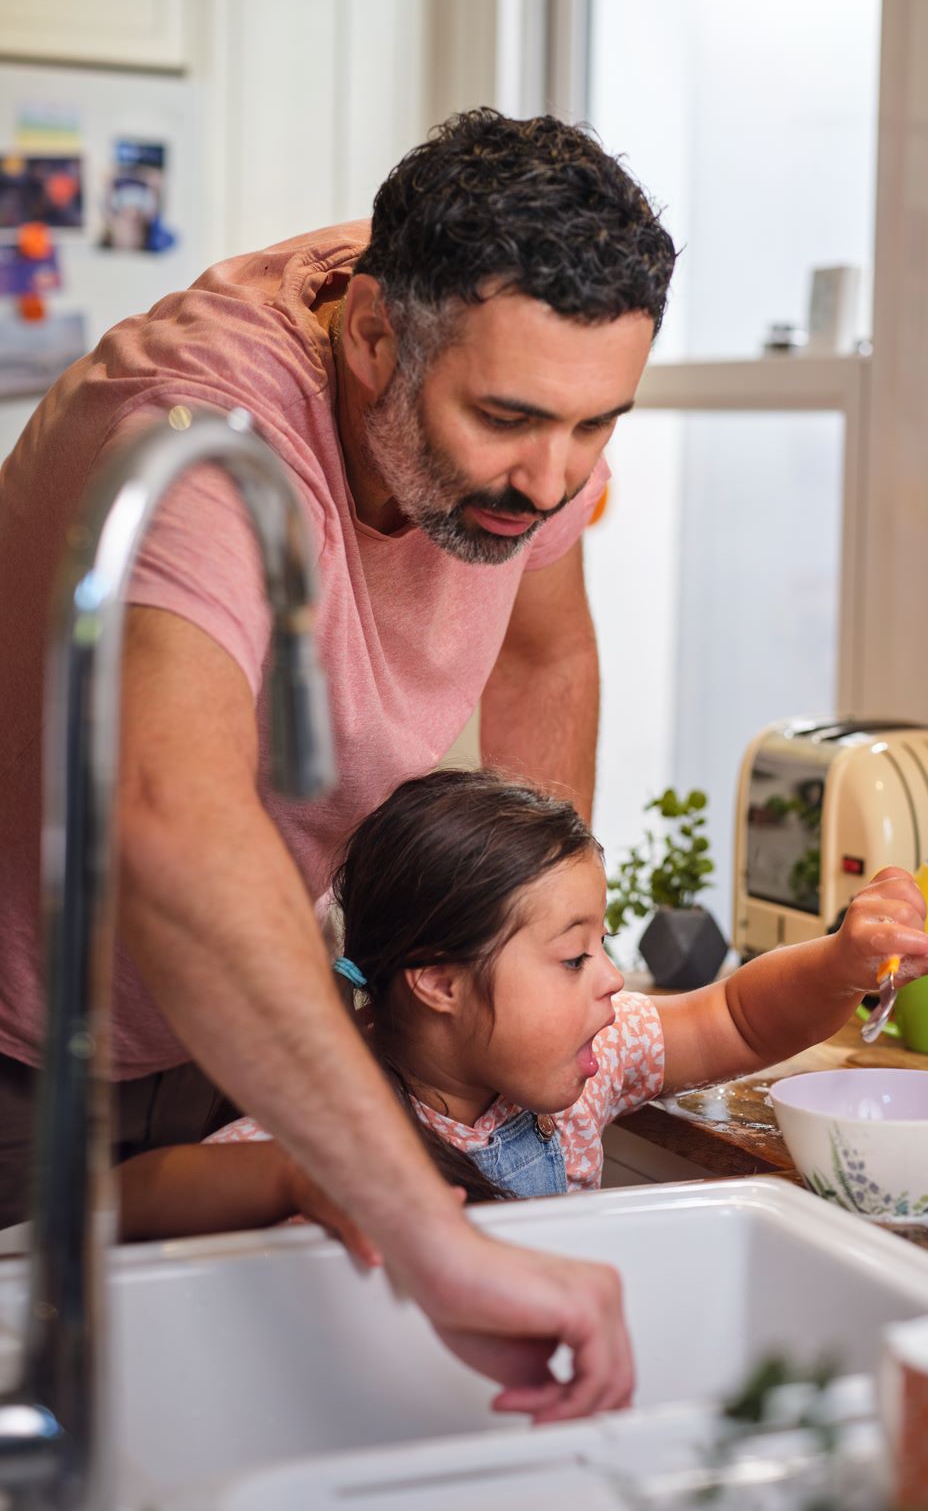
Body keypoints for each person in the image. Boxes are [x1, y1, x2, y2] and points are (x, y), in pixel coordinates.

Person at [0, 109, 676, 1420]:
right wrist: (431, 1239)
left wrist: (536, 956)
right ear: (371, 335)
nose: (553, 480)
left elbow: (542, 655)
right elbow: (168, 816)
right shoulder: (203, 437)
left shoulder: (518, 382)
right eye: (509, 420)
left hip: (223, 1018)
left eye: (598, 426)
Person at [115, 767, 928, 1234]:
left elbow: (735, 1016)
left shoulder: (590, 1066)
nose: (612, 977)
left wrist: (843, 960)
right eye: (573, 955)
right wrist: (296, 1175)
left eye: (603, 944)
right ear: (438, 980)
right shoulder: (320, 1127)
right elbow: (121, 1202)